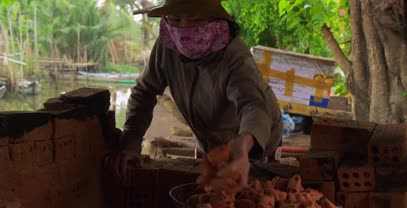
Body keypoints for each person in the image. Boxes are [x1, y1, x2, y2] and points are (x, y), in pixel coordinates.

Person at [109, 0, 283, 189]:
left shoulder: (235, 56)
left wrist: (243, 145)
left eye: (196, 19)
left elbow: (253, 106)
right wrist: (131, 142)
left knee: (254, 198)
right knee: (203, 195)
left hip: (255, 141)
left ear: (215, 20)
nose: (184, 28)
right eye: (175, 19)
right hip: (206, 139)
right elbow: (144, 91)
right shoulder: (167, 47)